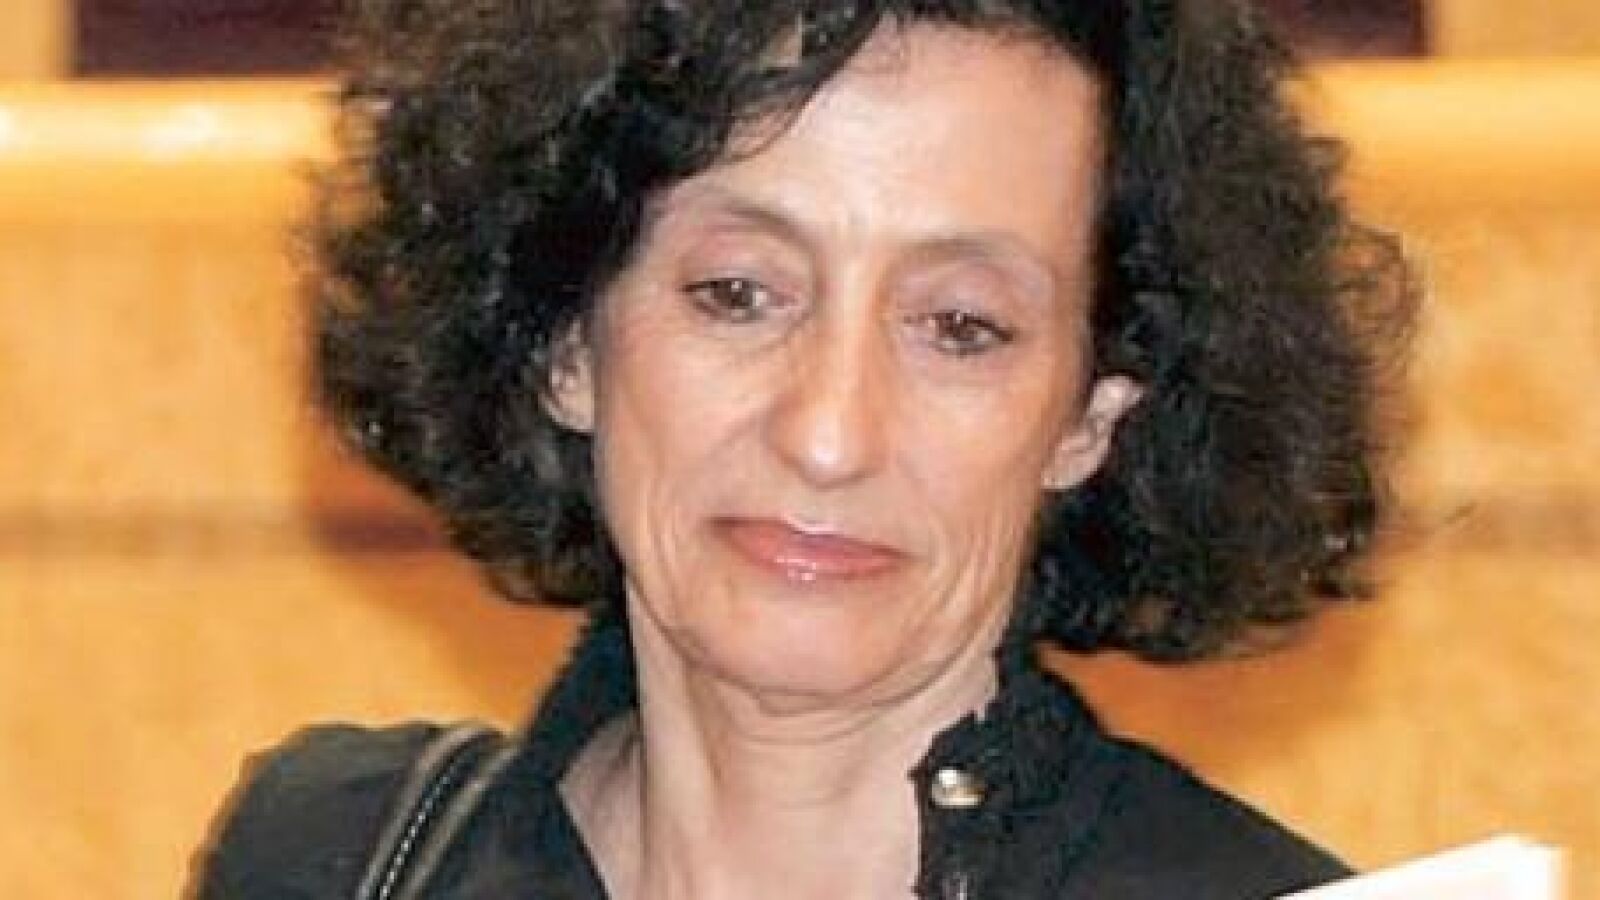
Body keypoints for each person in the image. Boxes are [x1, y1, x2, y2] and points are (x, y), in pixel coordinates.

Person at [195, 0, 1414, 897]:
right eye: (738, 294)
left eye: (960, 327)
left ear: (1087, 419)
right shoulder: (334, 860)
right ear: (565, 343)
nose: (830, 435)